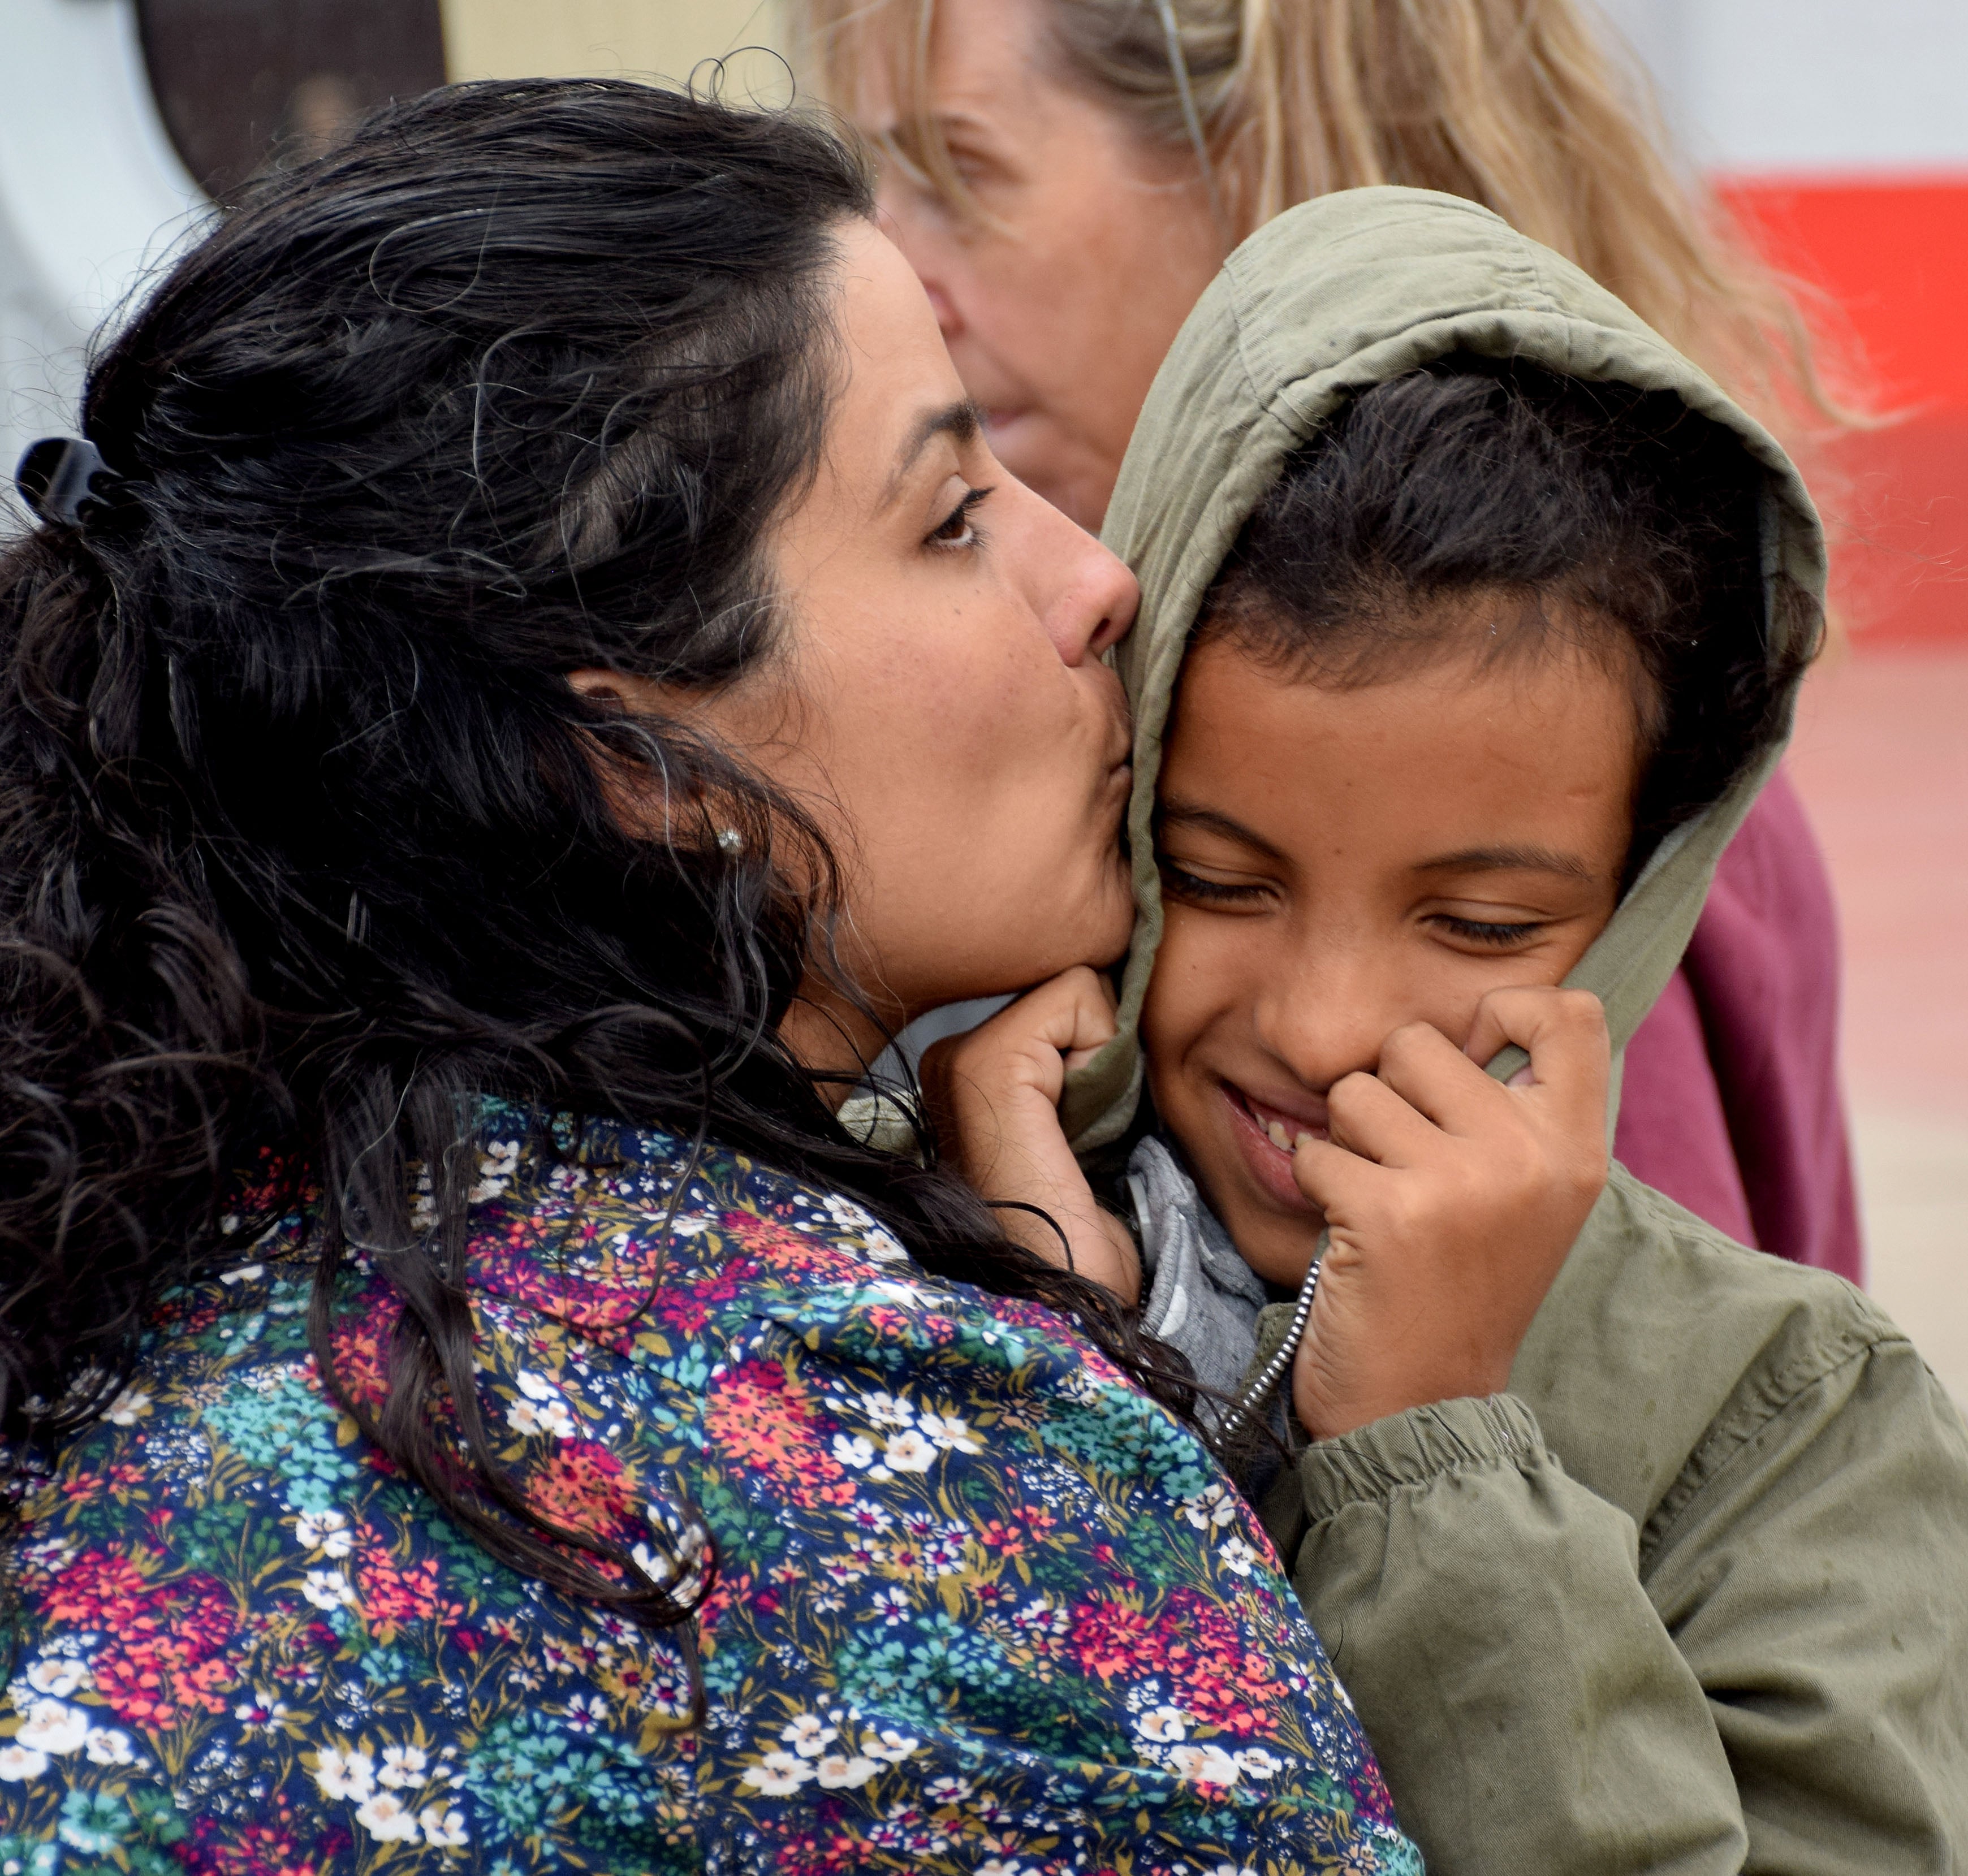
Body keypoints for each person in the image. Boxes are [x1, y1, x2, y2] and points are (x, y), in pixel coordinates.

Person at [0, 84, 1423, 1873]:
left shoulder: (149, 1241)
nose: (1100, 576)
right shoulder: (926, 1471)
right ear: (652, 764)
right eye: (953, 517)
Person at [926, 189, 1968, 1873]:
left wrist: (1437, 1468)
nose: (1325, 1022)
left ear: (1641, 896)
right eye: (1214, 874)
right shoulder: (915, 1216)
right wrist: (1049, 1345)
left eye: (1480, 923)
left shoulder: (1794, 1427)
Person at [795, 0, 1863, 1280]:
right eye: (1211, 876)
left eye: (963, 173)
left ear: (1255, 169)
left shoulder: (1564, 790)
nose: (897, 268)